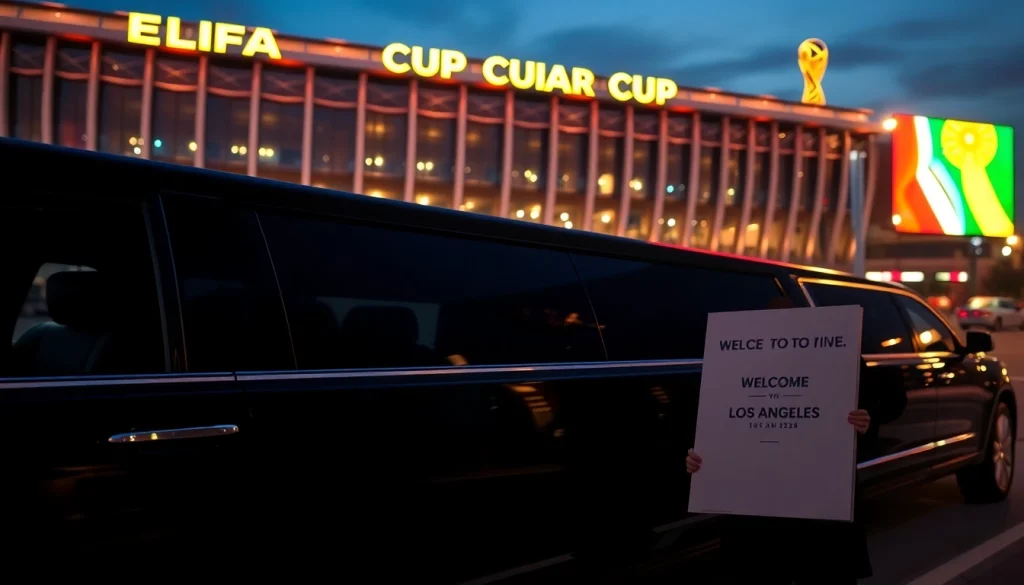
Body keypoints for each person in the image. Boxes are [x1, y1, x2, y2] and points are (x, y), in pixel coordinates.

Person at [686, 295, 906, 584]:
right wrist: (695, 456)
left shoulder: (841, 357)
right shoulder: (732, 362)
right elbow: (710, 421)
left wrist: (867, 419)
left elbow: (892, 402)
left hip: (819, 513)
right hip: (754, 516)